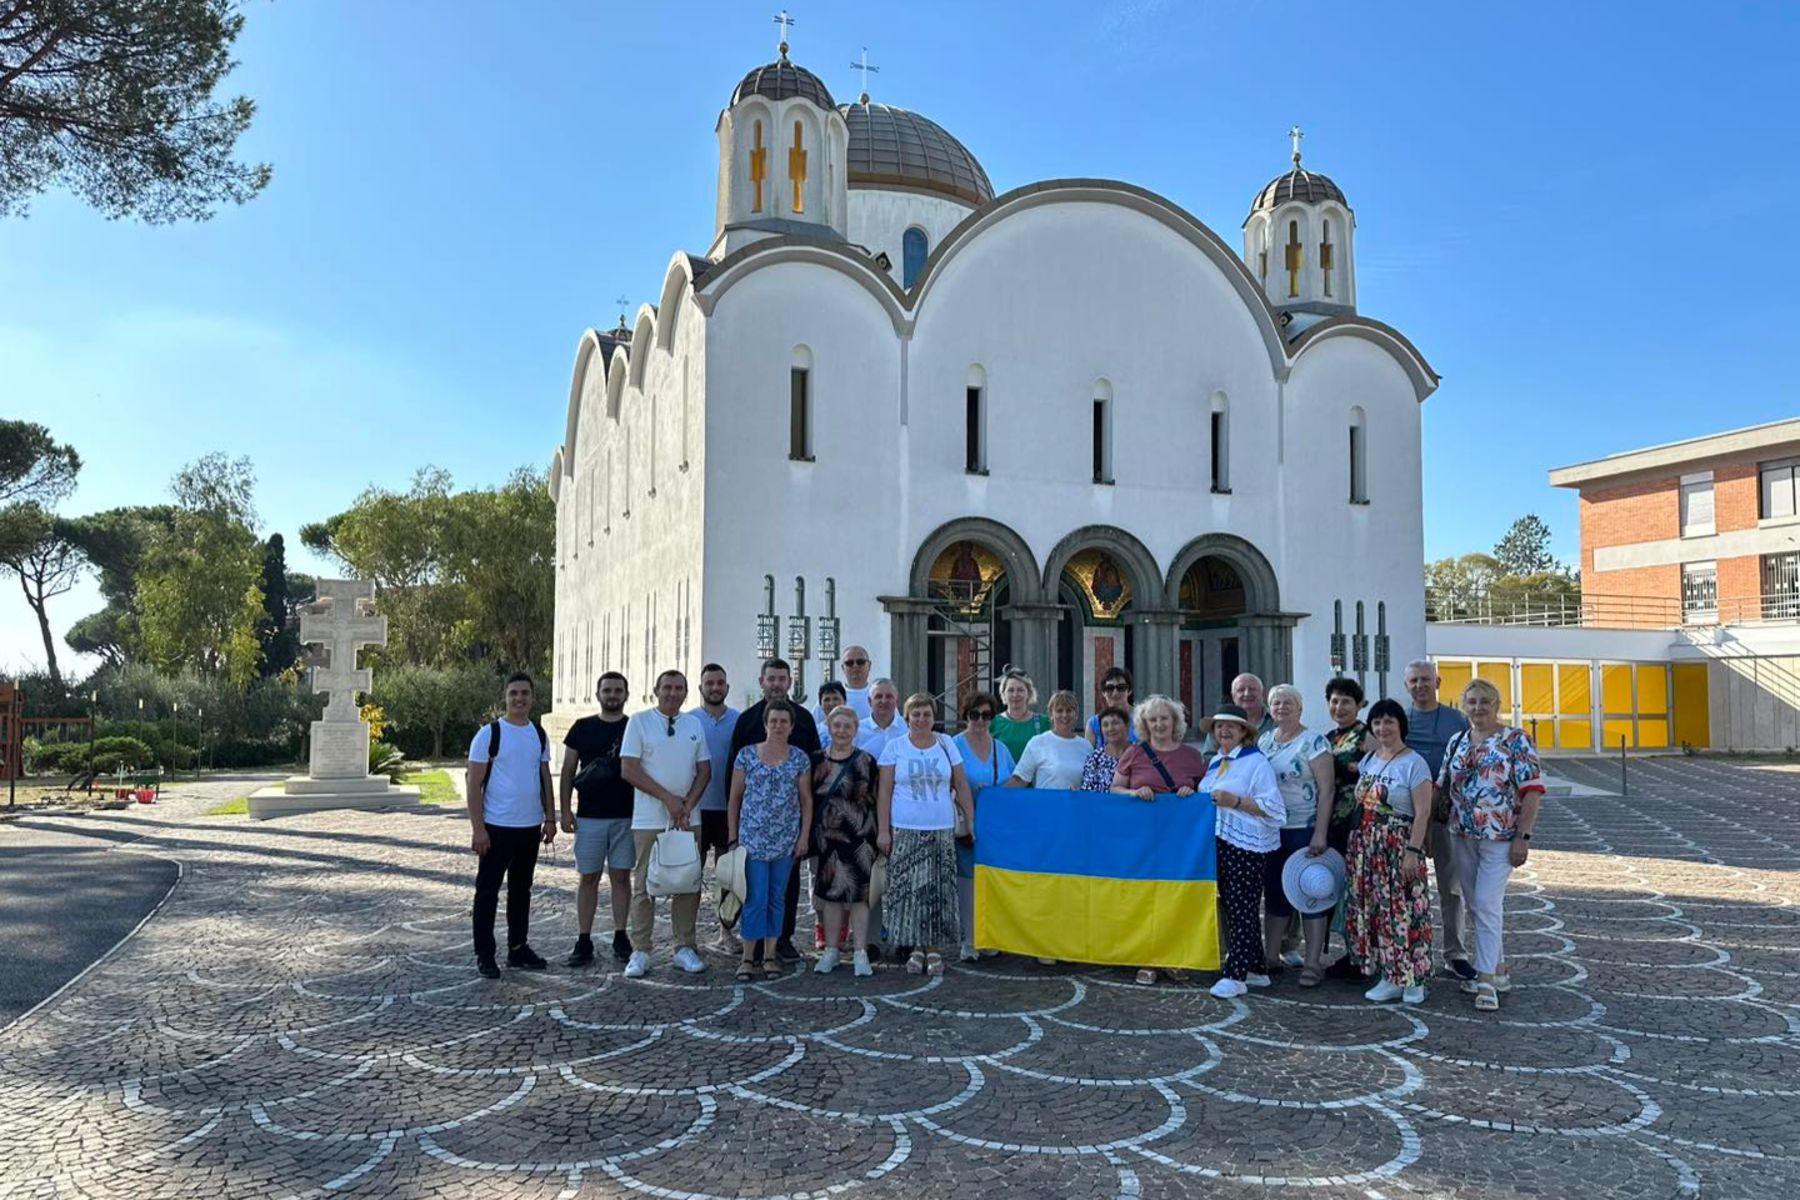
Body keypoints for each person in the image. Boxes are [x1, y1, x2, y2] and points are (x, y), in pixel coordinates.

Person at [1439, 678, 1545, 1011]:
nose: (1478, 708)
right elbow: (1443, 785)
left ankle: (1485, 981)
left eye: (1485, 701)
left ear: (1497, 705)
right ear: (1463, 705)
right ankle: (1498, 969)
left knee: (1485, 902)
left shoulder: (1516, 740)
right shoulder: (1457, 740)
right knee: (1476, 904)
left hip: (1501, 837)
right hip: (1462, 834)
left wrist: (1523, 837)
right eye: (1471, 701)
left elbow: (1532, 790)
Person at [1110, 694, 1209, 985]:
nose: (1159, 724)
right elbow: (1114, 788)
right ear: (1144, 723)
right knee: (1144, 897)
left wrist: (1192, 794)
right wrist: (1133, 793)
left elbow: (1205, 792)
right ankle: (1147, 958)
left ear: (1175, 721)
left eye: (1164, 718)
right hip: (1140, 840)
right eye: (1152, 719)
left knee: (1176, 897)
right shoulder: (1134, 753)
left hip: (1180, 842)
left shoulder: (1193, 756)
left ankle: (1173, 957)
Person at [620, 670, 712, 979]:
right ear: (656, 690)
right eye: (667, 688)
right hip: (649, 818)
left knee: (688, 882)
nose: (673, 693)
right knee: (645, 884)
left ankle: (684, 946)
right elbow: (629, 769)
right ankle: (641, 950)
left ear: (687, 693)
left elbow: (704, 770)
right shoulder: (640, 722)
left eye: (679, 688)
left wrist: (686, 804)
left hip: (688, 818)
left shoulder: (694, 724)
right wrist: (668, 799)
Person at [730, 658, 822, 963]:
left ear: (789, 683)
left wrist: (806, 831)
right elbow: (735, 781)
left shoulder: (805, 719)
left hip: (789, 826)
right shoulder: (745, 721)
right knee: (754, 890)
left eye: (782, 679)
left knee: (787, 888)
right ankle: (753, 946)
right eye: (771, 679)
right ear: (762, 682)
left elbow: (814, 774)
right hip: (753, 829)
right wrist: (733, 831)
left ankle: (782, 939)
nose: (777, 684)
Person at [877, 693, 976, 976]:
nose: (921, 720)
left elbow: (961, 783)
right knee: (909, 892)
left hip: (940, 827)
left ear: (934, 718)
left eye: (926, 715)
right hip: (906, 828)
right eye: (916, 714)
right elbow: (883, 792)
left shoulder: (946, 745)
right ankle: (915, 947)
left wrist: (971, 820)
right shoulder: (895, 747)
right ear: (907, 717)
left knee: (938, 891)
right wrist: (883, 830)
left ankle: (933, 948)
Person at [466, 672, 556, 978]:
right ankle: (485, 954)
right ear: (505, 697)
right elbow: (474, 784)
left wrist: (551, 817)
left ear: (532, 697)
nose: (520, 699)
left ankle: (518, 948)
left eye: (525, 693)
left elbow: (544, 778)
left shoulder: (539, 735)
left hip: (529, 827)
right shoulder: (489, 734)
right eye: (514, 693)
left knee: (522, 890)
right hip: (496, 827)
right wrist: (478, 829)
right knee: (488, 891)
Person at [1346, 698, 1435, 1005]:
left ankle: (1415, 978)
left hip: (1398, 844)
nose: (1383, 728)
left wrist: (1413, 850)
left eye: (1389, 722)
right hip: (1368, 845)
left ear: (1401, 726)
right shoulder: (1372, 758)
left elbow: (1423, 812)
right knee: (1380, 912)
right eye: (1377, 722)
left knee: (1406, 910)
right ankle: (1390, 975)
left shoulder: (1414, 762)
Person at [1197, 703, 1285, 999]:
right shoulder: (1215, 764)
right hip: (1219, 842)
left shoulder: (1256, 763)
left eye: (1230, 726)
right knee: (1233, 905)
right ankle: (1256, 968)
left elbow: (1274, 809)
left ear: (1243, 732)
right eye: (1219, 726)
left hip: (1245, 844)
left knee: (1243, 906)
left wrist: (1235, 802)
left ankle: (1235, 973)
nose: (1223, 731)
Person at [1403, 659, 1475, 982]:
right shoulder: (1400, 720)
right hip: (1407, 815)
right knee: (1403, 887)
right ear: (1407, 685)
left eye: (1425, 680)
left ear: (1438, 682)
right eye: (1414, 681)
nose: (1420, 686)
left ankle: (1455, 953)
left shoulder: (1457, 720)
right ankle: (1403, 951)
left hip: (1447, 814)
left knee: (1451, 886)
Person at [1258, 683, 1334, 986]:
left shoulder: (1313, 742)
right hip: (1271, 830)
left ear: (1300, 708)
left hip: (1304, 830)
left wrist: (1320, 833)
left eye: (1288, 702)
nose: (1281, 708)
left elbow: (1327, 791)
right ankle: (1270, 956)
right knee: (1275, 895)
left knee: (1310, 895)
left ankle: (1313, 962)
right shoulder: (1264, 741)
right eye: (1276, 703)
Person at [559, 671, 635, 967]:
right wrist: (565, 810)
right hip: (589, 816)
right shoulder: (582, 727)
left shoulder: (634, 726)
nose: (612, 695)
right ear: (598, 693)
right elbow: (567, 770)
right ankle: (583, 937)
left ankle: (620, 933)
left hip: (625, 816)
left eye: (618, 690)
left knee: (621, 877)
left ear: (626, 695)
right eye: (607, 690)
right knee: (588, 878)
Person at [810, 705, 880, 976]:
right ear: (829, 728)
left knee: (859, 896)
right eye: (837, 726)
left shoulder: (867, 761)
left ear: (855, 730)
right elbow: (807, 800)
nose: (841, 731)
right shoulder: (816, 761)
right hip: (827, 839)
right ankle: (832, 950)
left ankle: (860, 951)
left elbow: (875, 799)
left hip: (860, 838)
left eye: (847, 726)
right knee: (831, 897)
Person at [952, 690, 1015, 962]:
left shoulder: (1001, 749)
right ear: (966, 716)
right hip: (966, 824)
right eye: (975, 715)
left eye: (986, 715)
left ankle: (990, 935)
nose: (980, 720)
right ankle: (969, 938)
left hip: (995, 826)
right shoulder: (954, 744)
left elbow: (1014, 783)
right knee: (967, 881)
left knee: (992, 880)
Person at [688, 663, 741, 953]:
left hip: (728, 808)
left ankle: (726, 931)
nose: (715, 688)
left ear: (727, 687)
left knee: (728, 876)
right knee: (690, 873)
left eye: (720, 683)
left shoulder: (739, 720)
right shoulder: (688, 721)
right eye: (710, 683)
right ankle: (688, 935)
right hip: (696, 808)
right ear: (701, 688)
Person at [1321, 676, 1369, 976]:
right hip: (1332, 823)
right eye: (1334, 701)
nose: (1339, 707)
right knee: (1339, 889)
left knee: (1357, 890)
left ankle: (1361, 956)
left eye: (1346, 701)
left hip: (1358, 822)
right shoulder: (1329, 737)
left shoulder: (1367, 735)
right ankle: (1351, 951)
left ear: (1359, 705)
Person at [1005, 691, 1088, 790]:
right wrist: (989, 795)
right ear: (1051, 714)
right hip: (1045, 805)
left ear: (1076, 714)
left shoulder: (1086, 746)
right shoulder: (1037, 743)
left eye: (1069, 710)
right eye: (1059, 711)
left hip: (1076, 805)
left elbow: (1092, 784)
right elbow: (1019, 780)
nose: (1065, 715)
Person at [1201, 673, 1275, 753]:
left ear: (1262, 694)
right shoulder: (1220, 723)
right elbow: (1208, 756)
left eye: (1252, 689)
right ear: (1233, 696)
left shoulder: (1277, 719)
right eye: (1241, 690)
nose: (1247, 694)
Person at [991, 668, 1050, 762]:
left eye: (1020, 690)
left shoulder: (1044, 723)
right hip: (1004, 776)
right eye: (1010, 690)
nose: (1015, 694)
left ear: (1029, 693)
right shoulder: (993, 723)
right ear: (1003, 694)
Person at [1081, 706, 1132, 792]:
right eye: (1105, 725)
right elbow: (1087, 791)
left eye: (1115, 723)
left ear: (1126, 725)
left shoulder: (1139, 753)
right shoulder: (1095, 758)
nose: (1110, 728)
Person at [1086, 667, 1139, 745]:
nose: (1115, 693)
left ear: (1130, 691)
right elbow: (1089, 755)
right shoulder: (1094, 723)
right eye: (1110, 688)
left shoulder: (1144, 719)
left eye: (1121, 688)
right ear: (1103, 693)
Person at [856, 679, 906, 756]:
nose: (884, 701)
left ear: (897, 701)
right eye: (878, 697)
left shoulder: (907, 728)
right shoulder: (857, 730)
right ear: (869, 701)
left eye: (889, 696)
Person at [839, 645, 875, 720]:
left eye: (860, 662)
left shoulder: (880, 694)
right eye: (849, 663)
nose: (855, 666)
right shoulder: (833, 696)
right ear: (843, 668)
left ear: (869, 665)